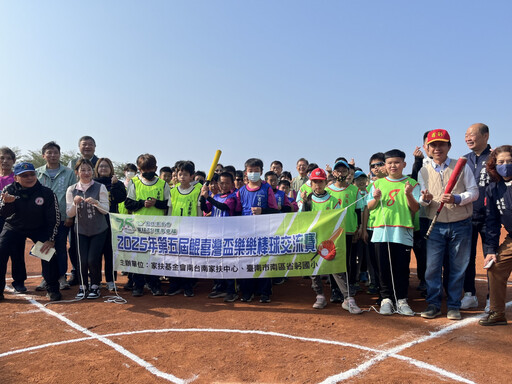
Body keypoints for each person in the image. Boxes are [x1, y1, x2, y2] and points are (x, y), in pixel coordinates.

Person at [419, 129, 478, 320]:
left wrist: (457, 198)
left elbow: (474, 192)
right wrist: (426, 200)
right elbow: (422, 200)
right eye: (433, 145)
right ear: (427, 148)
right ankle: (433, 304)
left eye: (442, 144)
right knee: (432, 268)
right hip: (435, 225)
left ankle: (453, 305)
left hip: (461, 224)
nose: (438, 148)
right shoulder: (423, 170)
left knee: (458, 267)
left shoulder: (462, 166)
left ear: (449, 146)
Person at [301, 167, 362, 314]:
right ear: (311, 183)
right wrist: (303, 203)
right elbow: (303, 219)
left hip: (330, 240)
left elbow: (338, 220)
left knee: (337, 268)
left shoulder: (333, 200)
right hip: (314, 240)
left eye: (320, 182)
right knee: (314, 268)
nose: (318, 185)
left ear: (325, 182)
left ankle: (348, 298)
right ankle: (320, 295)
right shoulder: (308, 200)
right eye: (314, 182)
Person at [367, 149, 420, 316]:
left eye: (396, 162)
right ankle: (386, 299)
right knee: (383, 267)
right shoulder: (376, 184)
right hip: (381, 231)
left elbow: (416, 207)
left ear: (404, 164)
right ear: (385, 166)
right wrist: (375, 198)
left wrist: (409, 194)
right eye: (389, 163)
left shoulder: (411, 183)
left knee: (401, 267)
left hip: (402, 230)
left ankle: (402, 299)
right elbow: (368, 207)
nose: (393, 166)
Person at [0, 162, 61, 301]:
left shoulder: (46, 193)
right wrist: (8, 203)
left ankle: (52, 288)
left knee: (49, 253)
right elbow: (2, 214)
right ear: (16, 178)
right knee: (1, 250)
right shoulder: (9, 190)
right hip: (14, 227)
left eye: (32, 174)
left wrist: (50, 239)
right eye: (24, 175)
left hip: (38, 228)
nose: (29, 177)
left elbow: (54, 218)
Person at [124, 154, 170, 297]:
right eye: (144, 170)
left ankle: (155, 284)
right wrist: (142, 203)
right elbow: (128, 203)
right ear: (139, 169)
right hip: (138, 227)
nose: (148, 172)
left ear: (155, 168)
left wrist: (157, 203)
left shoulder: (163, 184)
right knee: (138, 257)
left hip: (157, 227)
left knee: (155, 257)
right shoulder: (134, 182)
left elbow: (169, 205)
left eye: (151, 169)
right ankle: (137, 285)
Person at [236, 158, 279, 303]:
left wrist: (263, 211)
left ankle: (265, 292)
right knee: (246, 262)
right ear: (246, 172)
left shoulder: (266, 188)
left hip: (263, 232)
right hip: (245, 233)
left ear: (261, 171)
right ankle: (247, 292)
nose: (253, 173)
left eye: (256, 171)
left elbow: (274, 211)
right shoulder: (241, 191)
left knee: (264, 261)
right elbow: (236, 211)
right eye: (250, 171)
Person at [36, 141, 77, 291]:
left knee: (60, 247)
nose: (53, 155)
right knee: (43, 248)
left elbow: (73, 195)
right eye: (49, 152)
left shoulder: (69, 173)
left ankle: (61, 277)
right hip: (42, 220)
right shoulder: (37, 172)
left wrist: (69, 216)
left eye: (55, 153)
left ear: (60, 155)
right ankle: (46, 278)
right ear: (44, 155)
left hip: (62, 218)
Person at [66, 159, 109, 299]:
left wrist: (96, 203)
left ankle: (95, 285)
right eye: (82, 170)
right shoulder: (72, 189)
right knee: (82, 260)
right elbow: (70, 214)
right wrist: (74, 203)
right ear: (76, 172)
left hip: (99, 229)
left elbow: (106, 211)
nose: (86, 173)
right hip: (81, 230)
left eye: (89, 169)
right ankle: (83, 286)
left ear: (93, 171)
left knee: (92, 259)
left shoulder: (100, 187)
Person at [479, 145, 512, 326]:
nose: (505, 165)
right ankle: (497, 313)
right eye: (501, 162)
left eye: (509, 161)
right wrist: (491, 249)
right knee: (496, 267)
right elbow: (491, 221)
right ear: (494, 164)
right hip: (511, 238)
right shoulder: (494, 188)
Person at [460, 123, 492, 310]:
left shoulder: (496, 157)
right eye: (466, 135)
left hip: (490, 217)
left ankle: (491, 298)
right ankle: (469, 294)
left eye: (472, 134)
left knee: (490, 258)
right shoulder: (464, 160)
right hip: (468, 216)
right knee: (466, 257)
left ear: (485, 136)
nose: (468, 138)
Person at [200, 171, 239, 302]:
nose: (224, 185)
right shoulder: (216, 196)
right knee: (216, 262)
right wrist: (203, 196)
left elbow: (223, 207)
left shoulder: (233, 196)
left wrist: (208, 197)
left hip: (228, 235)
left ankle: (231, 291)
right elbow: (205, 209)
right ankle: (219, 288)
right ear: (217, 183)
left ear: (232, 184)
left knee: (228, 263)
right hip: (215, 235)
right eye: (221, 183)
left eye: (227, 183)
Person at [166, 160, 202, 297]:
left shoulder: (197, 190)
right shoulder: (173, 191)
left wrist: (198, 228)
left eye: (185, 174)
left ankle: (188, 286)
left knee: (188, 259)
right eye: (180, 174)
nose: (182, 177)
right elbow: (170, 210)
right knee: (174, 259)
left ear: (192, 176)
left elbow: (199, 211)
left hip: (191, 231)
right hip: (175, 231)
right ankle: (174, 285)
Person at [94, 158, 127, 291]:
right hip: (95, 222)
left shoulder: (117, 183)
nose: (103, 169)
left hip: (111, 222)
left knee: (110, 253)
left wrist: (114, 185)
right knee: (95, 253)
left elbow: (121, 198)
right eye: (101, 166)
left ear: (111, 168)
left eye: (106, 166)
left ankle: (110, 280)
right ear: (97, 168)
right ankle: (95, 281)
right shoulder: (92, 183)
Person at [326, 160, 359, 294]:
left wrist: (359, 228)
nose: (341, 173)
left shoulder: (354, 190)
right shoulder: (328, 190)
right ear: (333, 173)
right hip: (333, 232)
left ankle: (348, 286)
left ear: (348, 173)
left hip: (349, 230)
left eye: (344, 171)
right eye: (338, 171)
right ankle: (335, 288)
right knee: (333, 259)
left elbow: (359, 210)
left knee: (349, 260)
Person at [361, 152, 388, 296]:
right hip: (373, 227)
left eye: (380, 164)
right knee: (374, 260)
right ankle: (375, 284)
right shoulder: (371, 186)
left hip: (389, 228)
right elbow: (366, 208)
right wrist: (364, 229)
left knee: (387, 261)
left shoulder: (393, 182)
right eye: (373, 166)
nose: (376, 168)